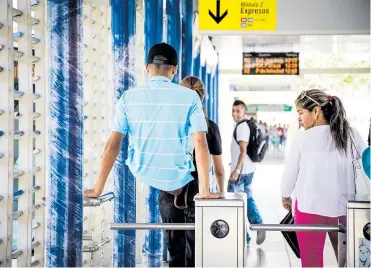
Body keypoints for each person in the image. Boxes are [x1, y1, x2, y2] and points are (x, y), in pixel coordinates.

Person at [84, 43, 222, 199]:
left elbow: (113, 144)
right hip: (176, 175)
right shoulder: (191, 97)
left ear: (147, 68)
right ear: (174, 69)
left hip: (140, 172)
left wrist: (98, 189)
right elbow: (200, 142)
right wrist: (204, 190)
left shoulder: (127, 98)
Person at [281, 89, 367, 267]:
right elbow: (366, 166)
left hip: (310, 207)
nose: (299, 118)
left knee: (311, 260)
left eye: (300, 112)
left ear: (316, 111)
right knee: (348, 260)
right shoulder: (351, 134)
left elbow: (290, 173)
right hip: (346, 209)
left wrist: (285, 195)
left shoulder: (303, 138)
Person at [159, 76, 225, 267]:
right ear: (202, 97)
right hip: (199, 195)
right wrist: (222, 193)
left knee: (174, 251)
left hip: (170, 192)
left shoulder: (169, 125)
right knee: (196, 251)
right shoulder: (210, 126)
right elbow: (219, 170)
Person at [228, 100, 266, 246]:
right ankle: (255, 227)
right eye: (233, 110)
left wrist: (236, 170)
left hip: (240, 173)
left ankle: (246, 235)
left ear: (244, 111)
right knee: (247, 199)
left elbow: (243, 150)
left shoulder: (242, 127)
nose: (235, 114)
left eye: (238, 111)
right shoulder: (245, 124)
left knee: (234, 205)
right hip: (248, 170)